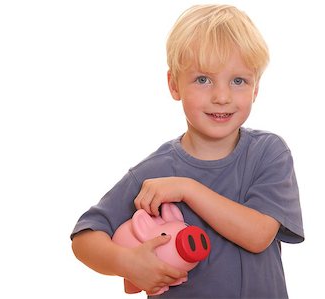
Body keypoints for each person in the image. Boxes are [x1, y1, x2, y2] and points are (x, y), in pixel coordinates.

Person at [71, 4, 304, 299]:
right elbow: (85, 237)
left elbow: (258, 235)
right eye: (203, 79)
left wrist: (187, 189)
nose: (221, 97)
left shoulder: (268, 153)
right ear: (174, 84)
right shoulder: (154, 173)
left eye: (238, 81)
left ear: (255, 89)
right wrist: (128, 263)